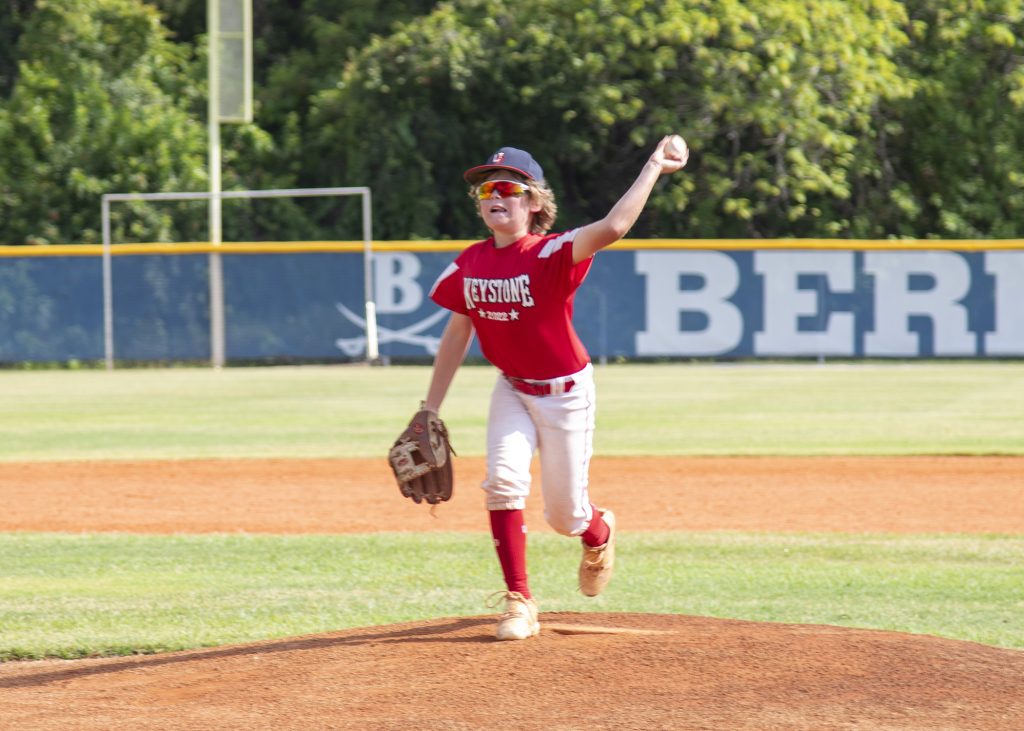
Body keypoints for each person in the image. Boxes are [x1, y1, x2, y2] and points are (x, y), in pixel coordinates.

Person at [422, 136, 688, 640]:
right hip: (512, 389)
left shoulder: (552, 253)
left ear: (534, 201)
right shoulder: (472, 262)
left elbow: (614, 226)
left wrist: (653, 164)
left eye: (506, 187)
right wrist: (429, 408)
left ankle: (599, 532)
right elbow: (459, 330)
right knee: (502, 483)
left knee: (565, 516)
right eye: (484, 190)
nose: (494, 195)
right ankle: (519, 601)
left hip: (565, 393)